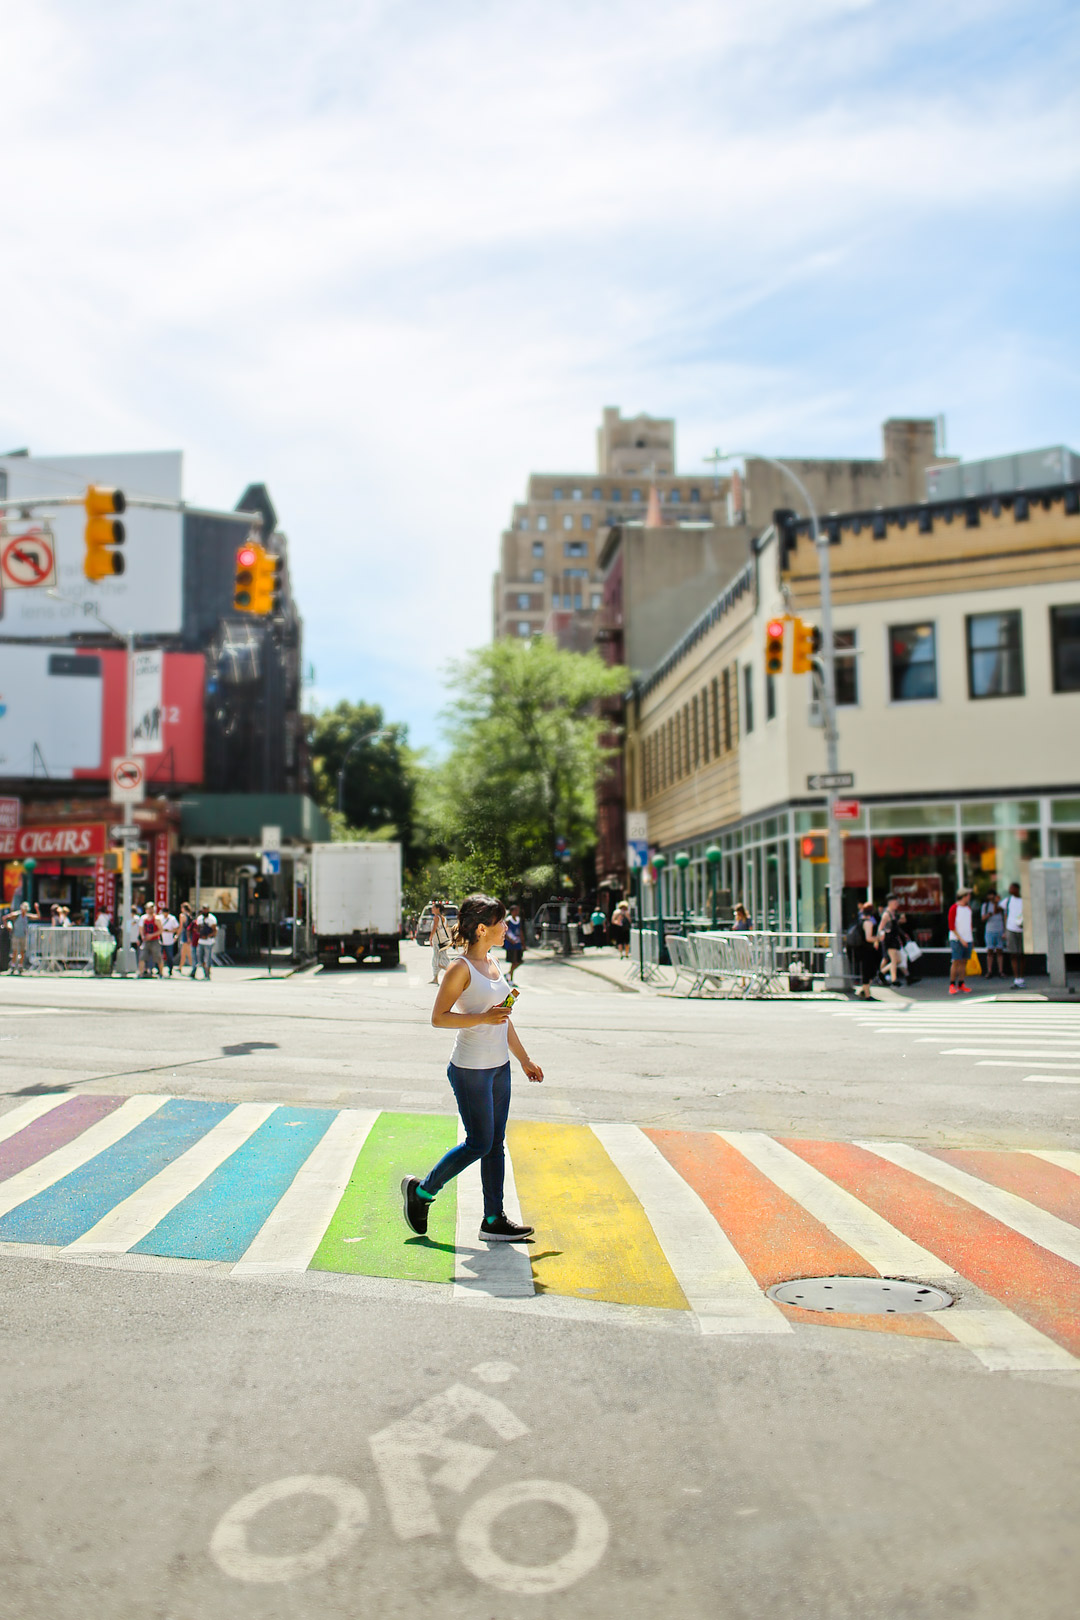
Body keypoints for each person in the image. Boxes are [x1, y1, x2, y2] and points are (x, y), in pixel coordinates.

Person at [402, 893, 543, 1243]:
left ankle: (493, 1219)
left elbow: (502, 1019)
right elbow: (438, 1018)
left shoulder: (494, 964)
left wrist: (524, 1059)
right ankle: (422, 1192)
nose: (506, 927)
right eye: (501, 923)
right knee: (479, 1143)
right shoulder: (459, 968)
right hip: (470, 1070)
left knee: (495, 1143)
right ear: (482, 929)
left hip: (499, 1068)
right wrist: (483, 1017)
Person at [948, 888, 975, 996]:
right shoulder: (954, 908)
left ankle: (961, 983)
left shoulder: (968, 909)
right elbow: (952, 926)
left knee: (964, 962)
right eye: (968, 895)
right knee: (956, 961)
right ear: (963, 896)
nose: (969, 897)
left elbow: (969, 925)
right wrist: (961, 939)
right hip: (956, 939)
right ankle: (952, 984)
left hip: (967, 939)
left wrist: (970, 939)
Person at [876, 894, 903, 987]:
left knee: (898, 960)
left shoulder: (893, 914)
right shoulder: (886, 914)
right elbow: (880, 928)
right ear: (890, 903)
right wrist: (880, 937)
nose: (897, 904)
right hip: (889, 940)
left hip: (895, 939)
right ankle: (894, 980)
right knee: (894, 960)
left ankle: (881, 972)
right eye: (895, 903)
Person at [1004, 882, 1025, 988]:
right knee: (1013, 954)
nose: (1010, 890)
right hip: (1011, 928)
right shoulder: (1008, 900)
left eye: (1012, 888)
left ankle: (1021, 978)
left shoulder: (1024, 900)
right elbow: (1003, 912)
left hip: (1022, 929)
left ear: (1017, 889)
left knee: (1021, 954)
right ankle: (1016, 978)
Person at [981, 889, 1005, 980]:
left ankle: (1000, 971)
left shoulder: (1000, 905)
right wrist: (988, 915)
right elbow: (982, 918)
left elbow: (1000, 913)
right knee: (990, 951)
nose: (991, 897)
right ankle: (989, 971)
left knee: (999, 951)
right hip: (989, 930)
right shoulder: (985, 906)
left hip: (999, 929)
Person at [428, 902, 454, 984]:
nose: (432, 909)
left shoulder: (436, 918)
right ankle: (436, 977)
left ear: (437, 909)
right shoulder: (444, 918)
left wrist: (430, 938)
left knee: (438, 957)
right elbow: (446, 929)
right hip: (443, 940)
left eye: (433, 908)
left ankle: (451, 971)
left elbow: (434, 929)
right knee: (440, 956)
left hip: (437, 940)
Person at [139, 901, 165, 978]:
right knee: (142, 957)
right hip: (146, 940)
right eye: (148, 909)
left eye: (151, 908)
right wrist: (142, 936)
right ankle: (141, 973)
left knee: (158, 957)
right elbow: (141, 928)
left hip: (155, 940)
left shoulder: (157, 919)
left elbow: (161, 930)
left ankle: (161, 973)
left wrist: (152, 935)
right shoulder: (144, 918)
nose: (150, 910)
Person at [192, 905, 217, 979]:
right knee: (200, 958)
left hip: (209, 941)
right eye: (204, 909)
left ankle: (207, 974)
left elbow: (214, 930)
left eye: (206, 909)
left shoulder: (212, 919)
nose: (205, 911)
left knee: (208, 958)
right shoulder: (200, 918)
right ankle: (205, 971)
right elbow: (198, 928)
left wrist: (209, 936)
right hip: (201, 941)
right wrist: (200, 934)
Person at [9, 902, 33, 974]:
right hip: (16, 935)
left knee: (22, 951)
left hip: (23, 935)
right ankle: (13, 966)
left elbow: (38, 916)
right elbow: (6, 917)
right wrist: (8, 927)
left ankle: (20, 966)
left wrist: (37, 908)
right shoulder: (17, 915)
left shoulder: (26, 916)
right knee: (15, 950)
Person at [503, 903, 525, 981]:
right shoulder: (508, 920)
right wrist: (510, 940)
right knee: (514, 961)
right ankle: (511, 979)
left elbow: (520, 931)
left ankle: (508, 973)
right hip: (511, 944)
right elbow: (505, 932)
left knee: (519, 961)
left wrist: (523, 942)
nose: (517, 912)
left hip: (518, 943)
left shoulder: (518, 920)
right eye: (515, 910)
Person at [160, 908, 180, 976]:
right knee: (159, 956)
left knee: (169, 956)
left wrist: (171, 932)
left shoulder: (172, 918)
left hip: (169, 940)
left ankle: (170, 969)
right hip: (161, 939)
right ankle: (159, 969)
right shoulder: (160, 918)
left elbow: (176, 928)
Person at [178, 903, 194, 973]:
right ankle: (180, 967)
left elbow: (181, 926)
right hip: (190, 935)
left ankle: (193, 967)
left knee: (187, 953)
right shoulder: (189, 915)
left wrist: (177, 935)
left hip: (185, 935)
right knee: (184, 952)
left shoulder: (182, 915)